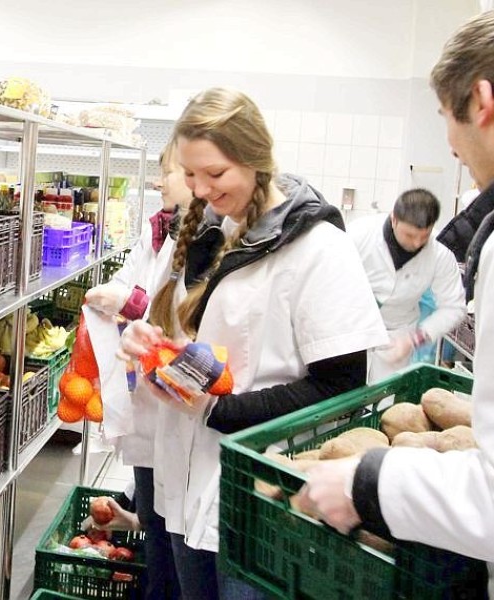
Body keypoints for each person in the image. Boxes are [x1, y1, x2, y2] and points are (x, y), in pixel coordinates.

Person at [116, 87, 388, 600]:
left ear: (257, 158)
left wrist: (221, 411)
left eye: (215, 175)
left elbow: (341, 386)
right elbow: (200, 346)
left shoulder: (317, 248)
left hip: (262, 495)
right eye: (191, 174)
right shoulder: (209, 232)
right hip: (188, 480)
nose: (200, 189)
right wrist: (148, 346)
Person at [298, 11, 494, 595]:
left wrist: (371, 484)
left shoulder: (449, 253)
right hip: (366, 352)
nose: (452, 147)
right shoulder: (356, 236)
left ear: (480, 102)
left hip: (400, 352)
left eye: (445, 119)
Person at [84, 140, 196, 600]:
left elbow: (182, 319)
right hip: (152, 409)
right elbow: (136, 281)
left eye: (166, 172)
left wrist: (132, 305)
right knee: (157, 527)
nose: (158, 181)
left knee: (171, 548)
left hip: (177, 409)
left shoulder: (203, 241)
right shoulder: (161, 232)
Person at [348, 188, 465, 381]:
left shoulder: (440, 254)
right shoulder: (359, 234)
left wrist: (414, 339)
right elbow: (332, 282)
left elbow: (454, 307)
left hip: (398, 337)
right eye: (410, 235)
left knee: (384, 401)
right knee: (344, 399)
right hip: (352, 327)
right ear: (394, 219)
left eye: (424, 236)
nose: (418, 243)